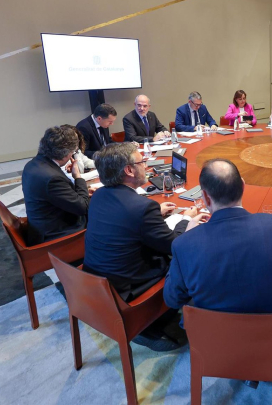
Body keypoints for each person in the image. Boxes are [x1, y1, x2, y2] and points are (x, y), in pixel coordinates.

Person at [83, 143, 206, 350]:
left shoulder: (100, 195)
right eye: (142, 162)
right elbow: (173, 245)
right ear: (129, 170)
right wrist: (186, 220)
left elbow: (125, 218)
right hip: (128, 288)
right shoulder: (141, 208)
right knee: (190, 258)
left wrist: (155, 211)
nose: (146, 166)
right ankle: (168, 318)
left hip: (96, 281)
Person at [164, 158, 272, 315]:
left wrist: (186, 240)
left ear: (205, 196)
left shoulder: (184, 244)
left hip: (214, 331)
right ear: (243, 186)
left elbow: (172, 299)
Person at [22, 126, 90, 246]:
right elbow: (82, 208)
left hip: (43, 225)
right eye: (73, 152)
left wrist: (79, 191)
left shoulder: (33, 164)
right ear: (66, 154)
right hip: (57, 235)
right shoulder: (52, 178)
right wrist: (78, 177)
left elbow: (57, 195)